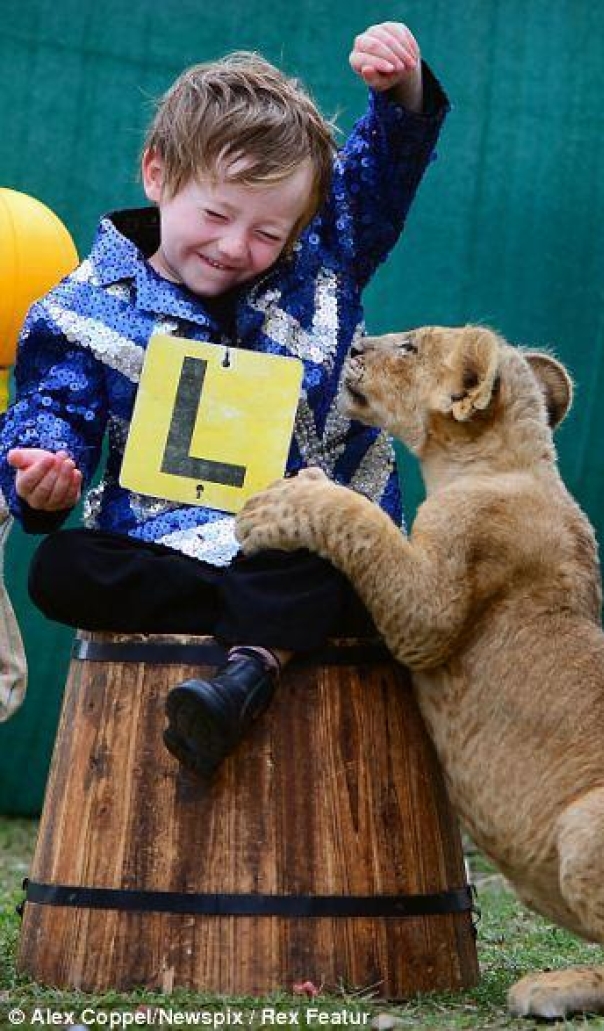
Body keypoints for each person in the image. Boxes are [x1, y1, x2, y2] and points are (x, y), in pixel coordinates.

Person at [0, 21, 449, 776]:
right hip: (166, 549)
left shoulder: (325, 259)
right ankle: (263, 637)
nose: (237, 245)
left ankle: (250, 665)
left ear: (301, 225)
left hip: (311, 540)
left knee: (338, 568)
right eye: (215, 215)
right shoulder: (80, 308)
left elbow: (386, 169)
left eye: (268, 231)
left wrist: (399, 87)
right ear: (157, 172)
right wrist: (44, 479)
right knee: (64, 567)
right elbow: (53, 416)